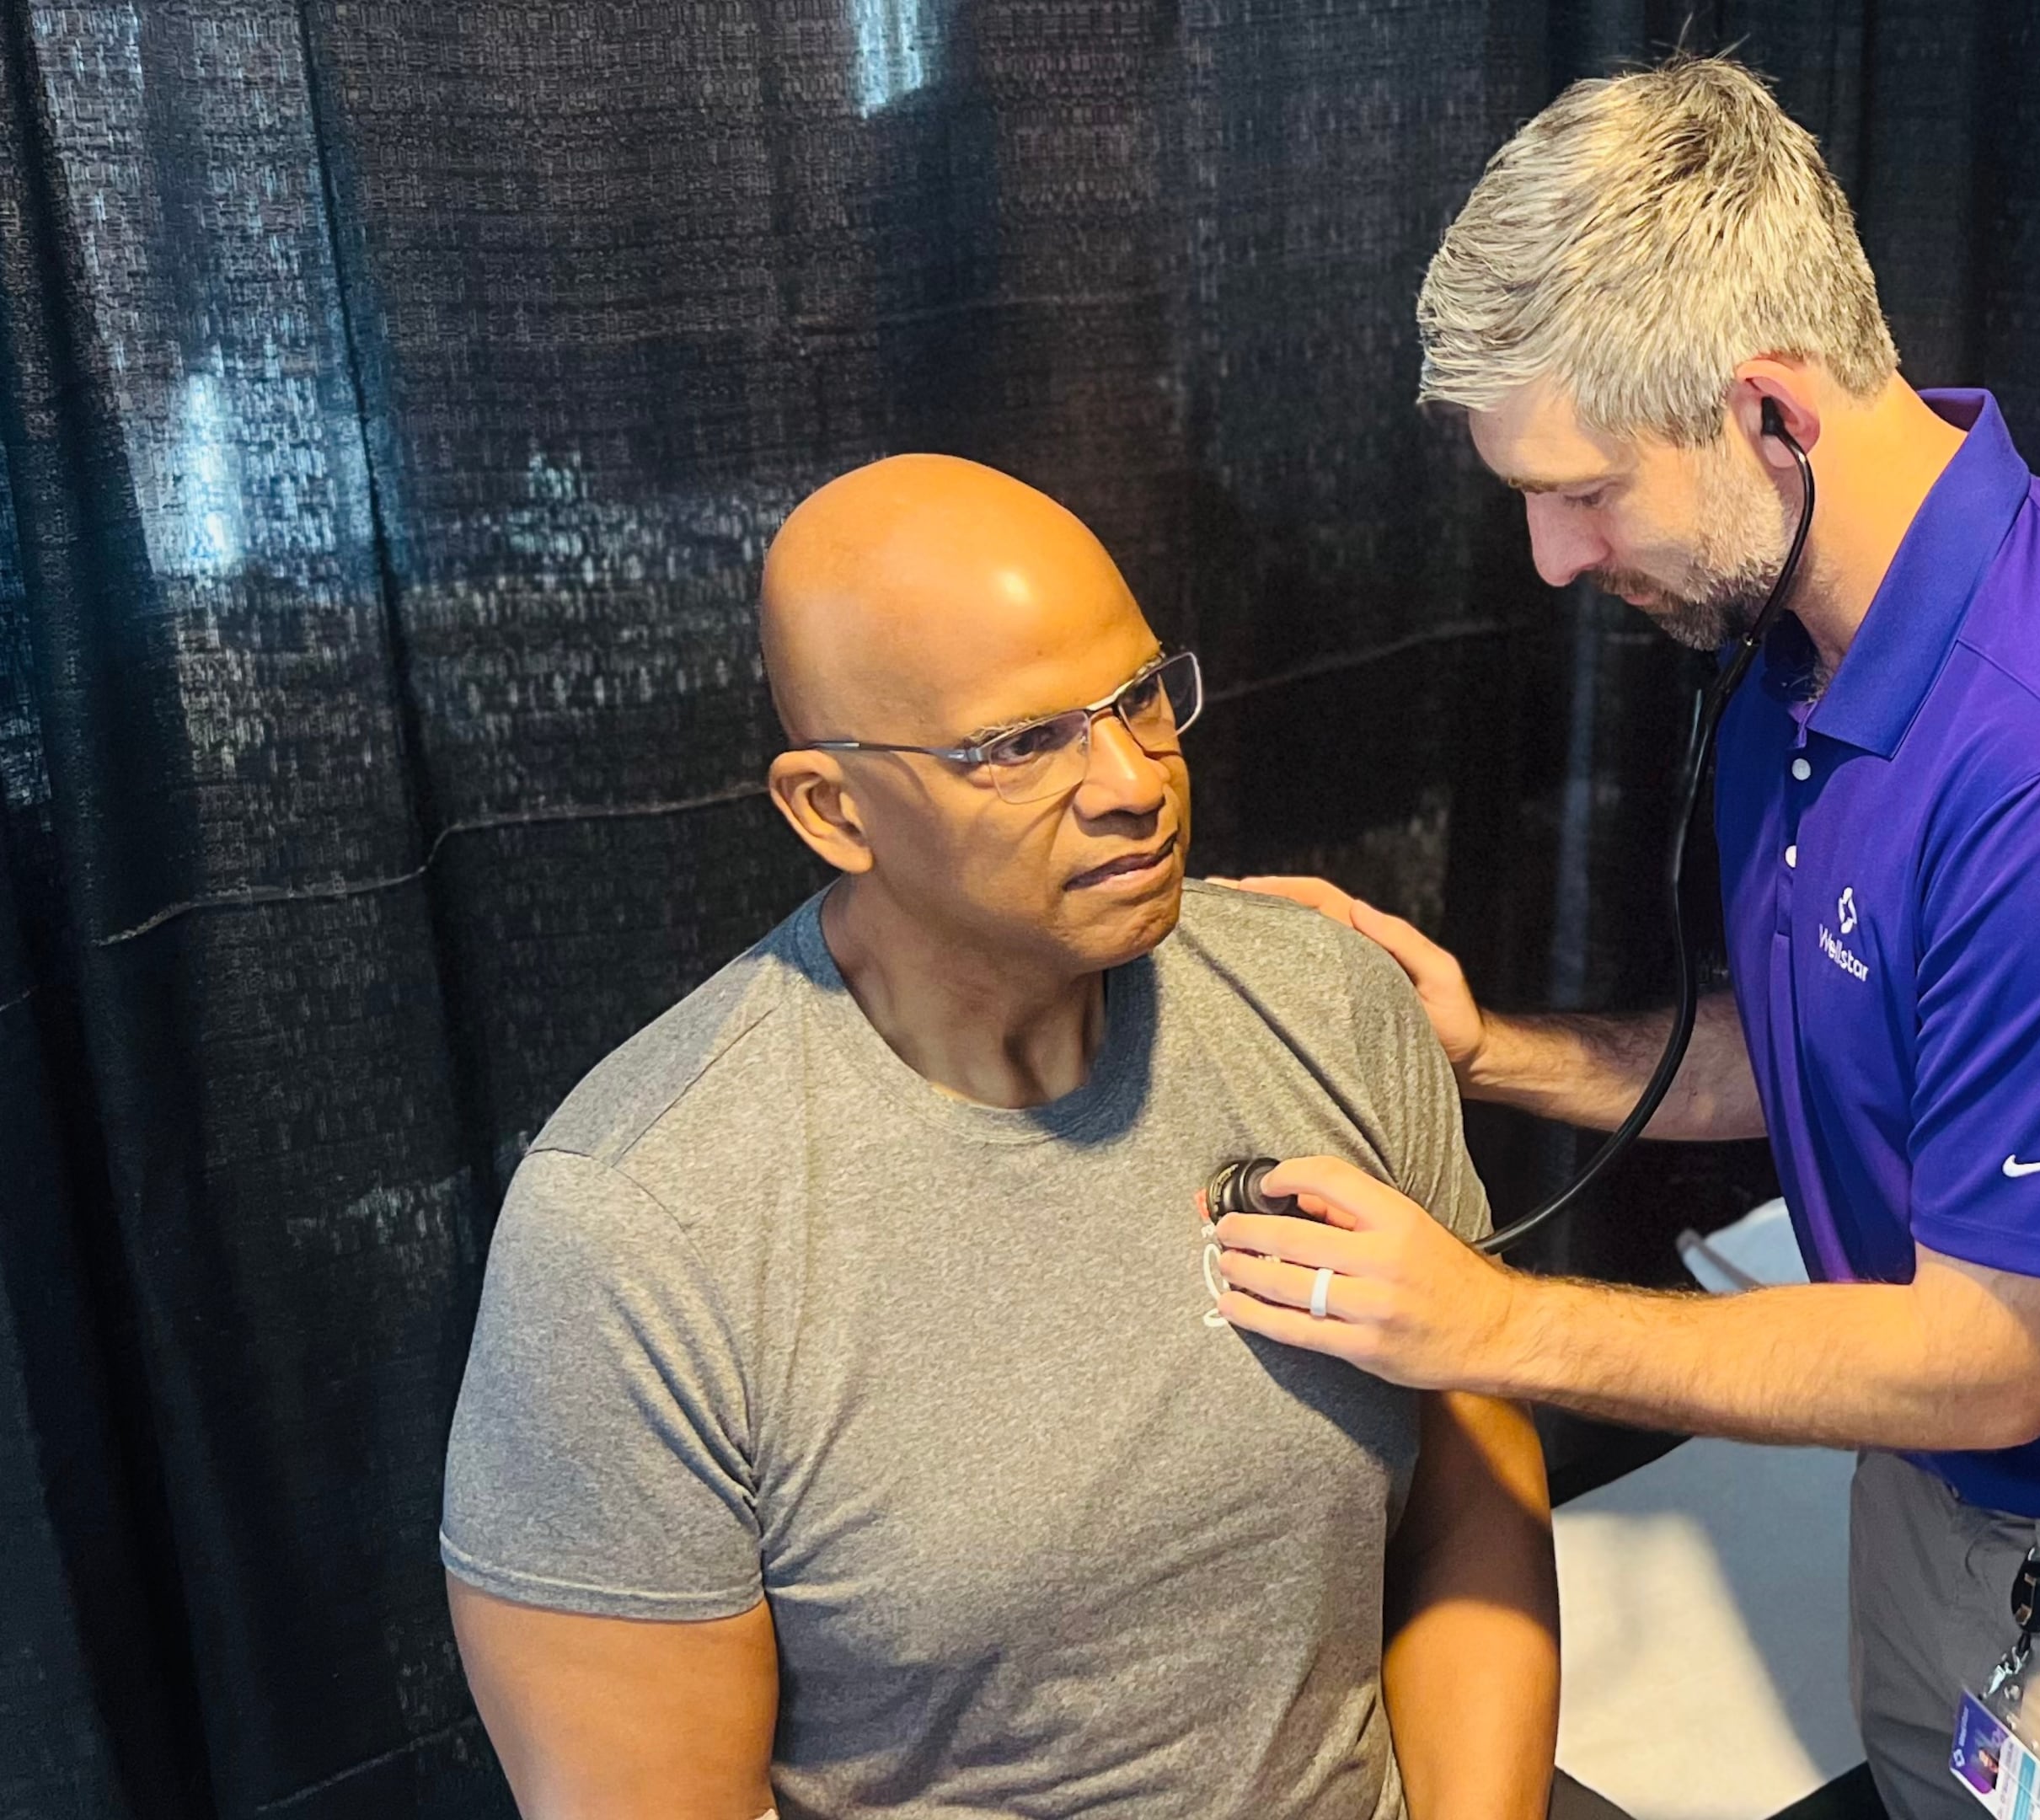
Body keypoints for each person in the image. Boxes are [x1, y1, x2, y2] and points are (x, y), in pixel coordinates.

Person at [1213, 57, 2040, 1820]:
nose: (1556, 560)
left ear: (1770, 413)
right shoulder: (1800, 644)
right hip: (1954, 1512)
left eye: (1583, 491)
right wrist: (1495, 1050)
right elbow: (1827, 1047)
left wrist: (1484, 1323)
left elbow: (1991, 1357)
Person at [438, 454, 1558, 1820]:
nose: (1135, 782)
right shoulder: (639, 1230)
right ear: (831, 810)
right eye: (1021, 745)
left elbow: (1477, 1484)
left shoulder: (1328, 1005)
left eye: (1142, 696)